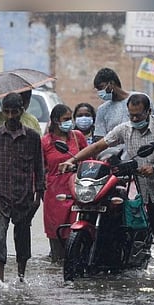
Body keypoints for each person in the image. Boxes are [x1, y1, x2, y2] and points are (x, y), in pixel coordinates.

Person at [58, 93, 154, 269]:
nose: (134, 119)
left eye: (138, 115)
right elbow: (98, 146)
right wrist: (72, 160)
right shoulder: (125, 129)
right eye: (130, 115)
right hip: (147, 190)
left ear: (148, 112)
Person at [0, 92, 45, 282]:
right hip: (0, 198)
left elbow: (39, 168)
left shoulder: (32, 137)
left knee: (22, 239)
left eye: (14, 112)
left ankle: (21, 277)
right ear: (2, 111)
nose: (10, 116)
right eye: (6, 112)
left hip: (24, 196)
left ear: (21, 111)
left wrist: (38, 198)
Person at [41, 104, 88, 262]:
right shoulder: (45, 142)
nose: (70, 122)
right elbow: (39, 169)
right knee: (56, 235)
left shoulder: (77, 137)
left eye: (70, 119)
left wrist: (76, 166)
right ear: (55, 121)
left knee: (78, 231)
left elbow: (89, 159)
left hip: (76, 190)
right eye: (66, 119)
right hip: (54, 194)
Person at [93, 67, 154, 141]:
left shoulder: (141, 99)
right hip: (114, 151)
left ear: (111, 83)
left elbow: (153, 125)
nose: (100, 92)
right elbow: (100, 137)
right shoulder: (102, 110)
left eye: (101, 88)